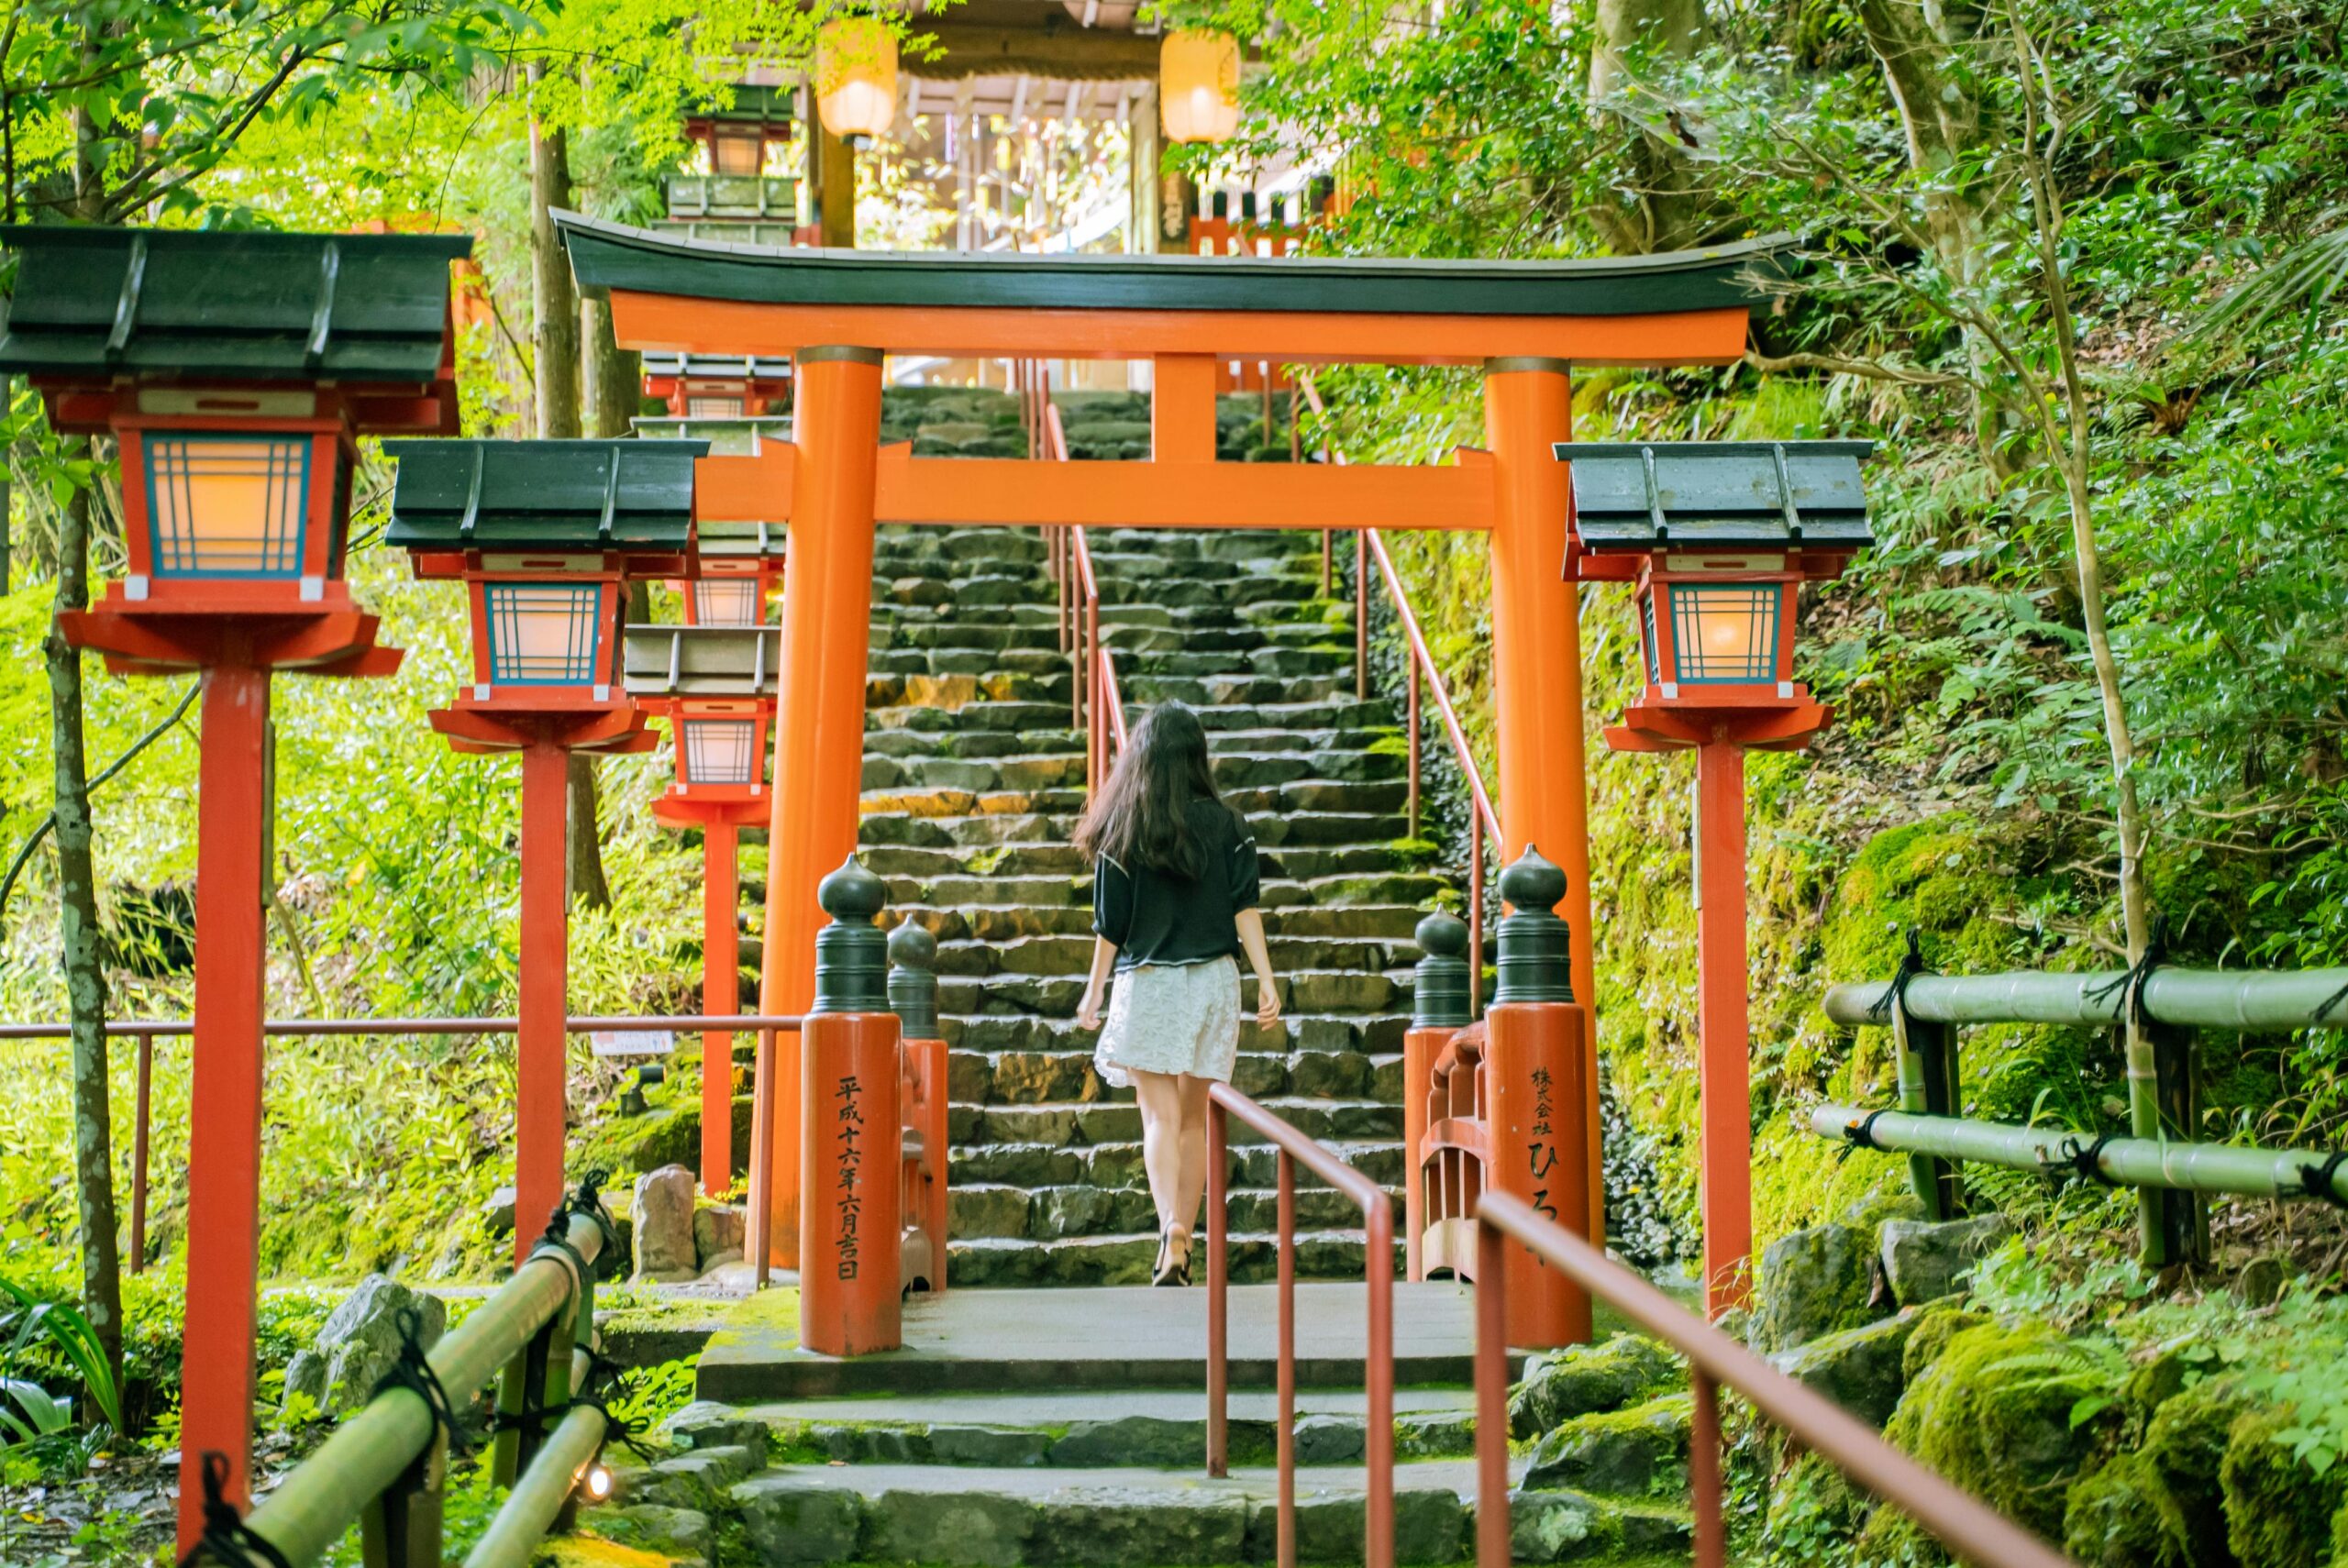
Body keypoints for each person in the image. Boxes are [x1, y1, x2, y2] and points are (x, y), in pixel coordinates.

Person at [1074, 701, 1280, 1287]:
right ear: (1197, 756)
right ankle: (1183, 1238)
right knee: (1195, 1120)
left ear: (1141, 754)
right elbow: (1246, 910)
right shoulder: (1231, 825)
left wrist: (1093, 996)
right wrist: (1266, 981)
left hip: (1149, 986)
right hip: (1214, 981)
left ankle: (1171, 1233)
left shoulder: (1122, 827)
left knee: (1158, 1118)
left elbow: (1109, 928)